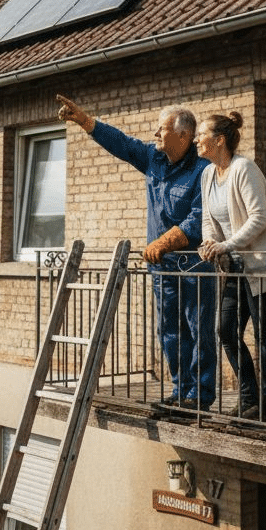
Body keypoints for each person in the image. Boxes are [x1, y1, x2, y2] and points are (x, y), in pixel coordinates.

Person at [55, 94, 217, 409]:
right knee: (169, 330)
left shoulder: (203, 169)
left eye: (162, 129)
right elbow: (123, 144)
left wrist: (163, 242)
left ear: (183, 135)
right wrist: (85, 121)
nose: (155, 134)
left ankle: (199, 395)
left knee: (198, 330)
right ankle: (181, 390)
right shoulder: (154, 158)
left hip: (194, 267)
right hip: (163, 268)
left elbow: (200, 217)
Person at [195, 111, 266, 422]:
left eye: (201, 134)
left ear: (219, 140)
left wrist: (226, 245)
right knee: (225, 330)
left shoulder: (244, 169)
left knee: (265, 334)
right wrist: (210, 243)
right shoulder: (207, 175)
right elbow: (208, 220)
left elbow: (259, 218)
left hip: (264, 265)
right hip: (234, 267)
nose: (197, 140)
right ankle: (249, 396)